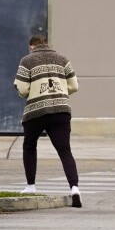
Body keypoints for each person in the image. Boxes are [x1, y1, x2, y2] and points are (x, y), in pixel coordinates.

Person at [13, 35, 81, 207]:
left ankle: (31, 186)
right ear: (46, 44)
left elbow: (22, 88)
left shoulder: (27, 60)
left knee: (29, 146)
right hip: (61, 111)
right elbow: (74, 86)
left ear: (31, 46)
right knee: (65, 151)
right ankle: (74, 188)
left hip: (37, 111)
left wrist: (28, 93)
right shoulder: (62, 59)